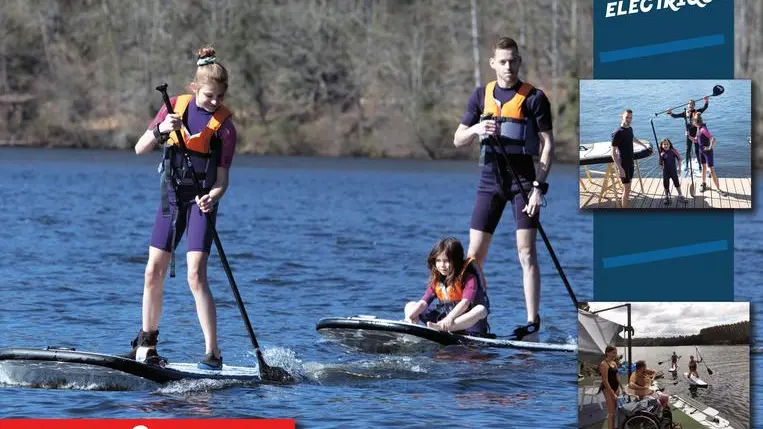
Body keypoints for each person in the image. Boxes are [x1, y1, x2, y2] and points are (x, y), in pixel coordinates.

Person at [128, 46, 237, 370]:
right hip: (171, 198)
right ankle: (146, 345)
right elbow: (139, 148)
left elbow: (222, 181)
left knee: (195, 275)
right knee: (152, 271)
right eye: (208, 95)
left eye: (220, 96)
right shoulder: (173, 106)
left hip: (201, 203)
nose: (214, 101)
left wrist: (213, 196)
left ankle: (213, 353)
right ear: (194, 88)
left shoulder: (226, 128)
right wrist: (162, 130)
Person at [452, 36, 554, 340]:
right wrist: (475, 129)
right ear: (493, 63)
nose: (508, 66)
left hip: (523, 182)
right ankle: (472, 318)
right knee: (473, 256)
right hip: (490, 181)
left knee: (526, 252)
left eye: (513, 60)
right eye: (503, 61)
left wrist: (539, 188)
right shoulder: (480, 95)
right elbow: (457, 139)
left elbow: (548, 145)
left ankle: (531, 323)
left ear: (519, 62)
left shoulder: (535, 98)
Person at [404, 238, 490, 335]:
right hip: (444, 321)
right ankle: (410, 326)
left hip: (468, 325)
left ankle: (441, 328)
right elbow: (424, 303)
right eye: (438, 260)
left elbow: (465, 303)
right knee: (410, 305)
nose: (442, 265)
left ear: (456, 261)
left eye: (446, 261)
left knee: (481, 310)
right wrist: (409, 317)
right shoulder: (437, 281)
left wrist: (449, 319)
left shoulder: (469, 278)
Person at [667, 96, 709, 175]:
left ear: (694, 105)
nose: (691, 105)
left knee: (697, 151)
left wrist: (706, 100)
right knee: (688, 150)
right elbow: (675, 116)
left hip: (697, 134)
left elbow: (705, 107)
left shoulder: (697, 112)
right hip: (688, 134)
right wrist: (670, 113)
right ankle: (686, 165)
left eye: (692, 104)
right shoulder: (685, 113)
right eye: (690, 104)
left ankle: (700, 166)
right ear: (688, 105)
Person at [693, 113, 725, 195]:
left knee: (711, 170)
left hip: (707, 153)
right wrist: (688, 136)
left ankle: (718, 189)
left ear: (696, 121)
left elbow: (713, 138)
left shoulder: (703, 129)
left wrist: (709, 147)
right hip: (701, 151)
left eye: (693, 121)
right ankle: (703, 184)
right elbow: (696, 140)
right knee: (703, 168)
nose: (692, 122)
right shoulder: (698, 128)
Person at [611, 109, 635, 208]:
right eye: (627, 117)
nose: (629, 119)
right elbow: (612, 152)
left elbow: (632, 138)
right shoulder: (617, 133)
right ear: (622, 117)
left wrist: (644, 145)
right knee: (627, 190)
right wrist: (620, 168)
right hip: (623, 164)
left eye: (630, 117)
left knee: (628, 189)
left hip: (631, 162)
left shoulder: (630, 129)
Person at [658, 138, 687, 205]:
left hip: (673, 171)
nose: (666, 145)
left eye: (667, 144)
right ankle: (666, 196)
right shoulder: (661, 154)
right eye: (664, 144)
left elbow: (679, 159)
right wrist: (661, 164)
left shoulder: (673, 151)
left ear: (670, 144)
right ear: (662, 145)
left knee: (676, 182)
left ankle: (680, 195)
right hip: (666, 171)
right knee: (666, 184)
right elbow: (660, 164)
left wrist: (679, 169)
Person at [598, 346, 621, 429]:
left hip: (616, 389)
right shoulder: (603, 364)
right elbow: (605, 381)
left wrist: (621, 387)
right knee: (611, 413)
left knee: (615, 411)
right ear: (607, 353)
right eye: (613, 353)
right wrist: (612, 393)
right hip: (608, 390)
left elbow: (617, 376)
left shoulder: (614, 363)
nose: (615, 355)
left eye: (616, 353)